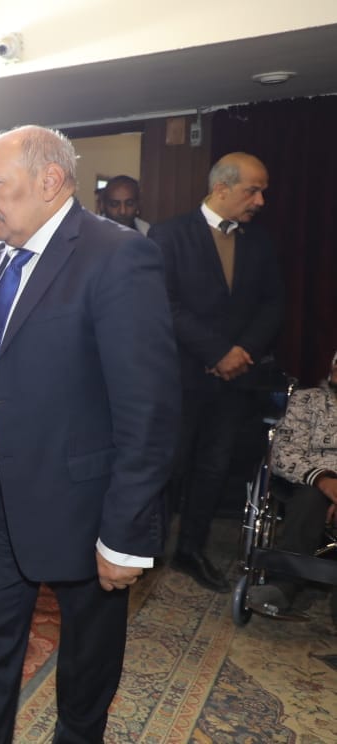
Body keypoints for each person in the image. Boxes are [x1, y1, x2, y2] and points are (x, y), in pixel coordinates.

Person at [0, 125, 179, 743]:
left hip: (87, 506)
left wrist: (126, 534)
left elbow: (148, 410)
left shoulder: (117, 256)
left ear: (50, 181)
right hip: (0, 494)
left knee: (85, 666)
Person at [149, 152, 283, 593]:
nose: (260, 201)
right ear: (221, 188)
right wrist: (216, 351)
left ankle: (191, 550)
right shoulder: (169, 235)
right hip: (181, 377)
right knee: (169, 466)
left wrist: (241, 353)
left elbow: (272, 304)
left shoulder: (259, 241)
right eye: (253, 190)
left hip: (234, 381)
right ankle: (149, 547)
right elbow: (164, 304)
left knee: (214, 467)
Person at [252, 350, 337, 621]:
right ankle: (283, 586)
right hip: (305, 482)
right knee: (311, 497)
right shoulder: (307, 400)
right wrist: (323, 480)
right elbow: (283, 453)